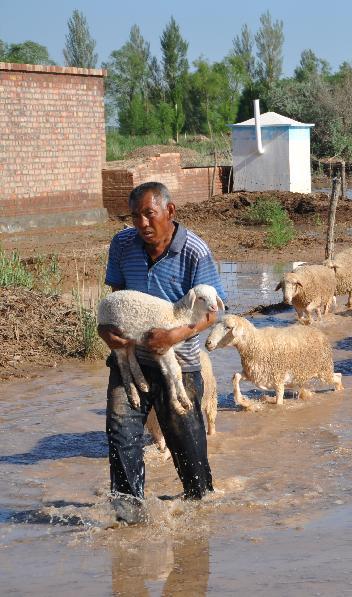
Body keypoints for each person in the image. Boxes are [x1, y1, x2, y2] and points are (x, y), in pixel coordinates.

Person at [98, 181, 226, 523]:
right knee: (121, 436)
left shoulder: (195, 251)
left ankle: (199, 517)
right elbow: (117, 299)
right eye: (135, 216)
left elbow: (213, 313)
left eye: (149, 214)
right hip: (131, 359)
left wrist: (174, 335)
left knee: (188, 446)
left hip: (180, 363)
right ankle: (129, 517)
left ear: (170, 211)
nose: (141, 223)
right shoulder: (122, 244)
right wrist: (106, 332)